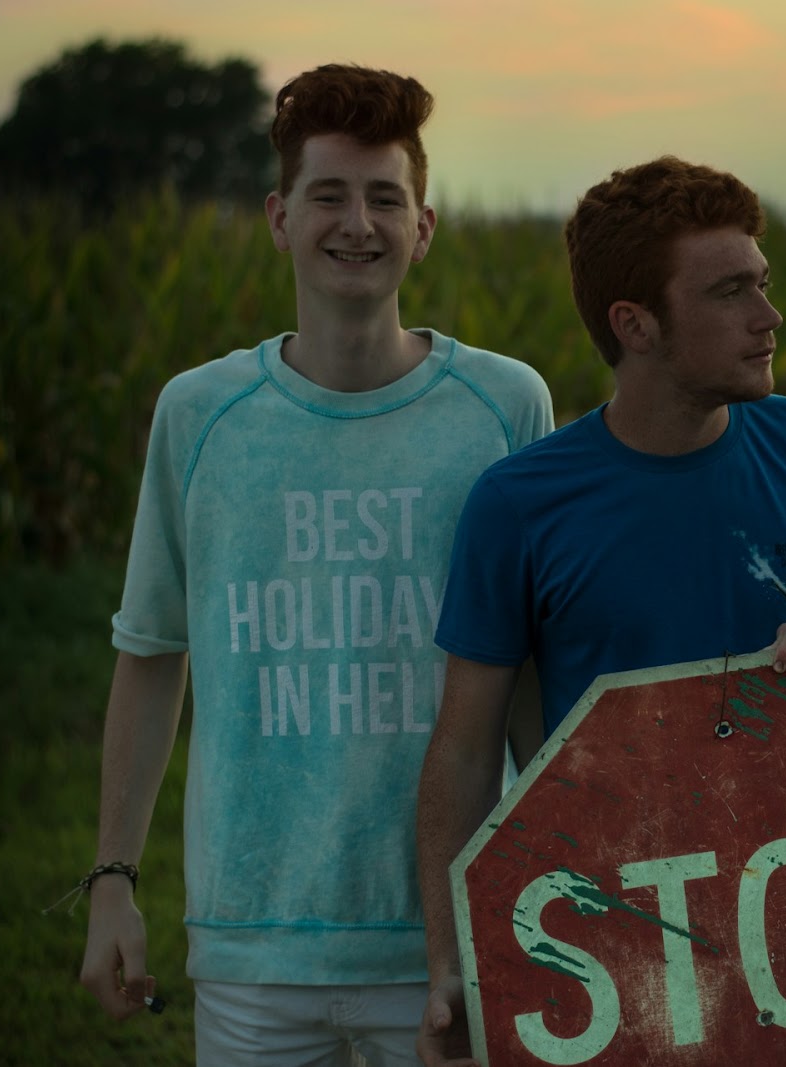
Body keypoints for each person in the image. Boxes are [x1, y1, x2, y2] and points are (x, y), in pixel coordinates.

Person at [413, 155, 786, 1065]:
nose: (769, 317)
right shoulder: (521, 504)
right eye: (732, 293)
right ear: (637, 324)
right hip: (614, 943)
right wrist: (455, 964)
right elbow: (463, 750)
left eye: (764, 285)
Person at [77, 63, 553, 1065]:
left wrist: (561, 878)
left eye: (387, 198)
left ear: (424, 226)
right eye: (328, 194)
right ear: (278, 216)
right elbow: (152, 650)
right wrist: (112, 880)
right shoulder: (200, 415)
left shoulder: (502, 406)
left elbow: (532, 672)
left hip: (450, 932)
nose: (358, 222)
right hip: (254, 942)